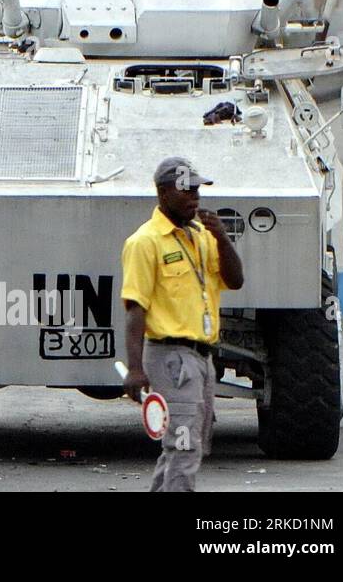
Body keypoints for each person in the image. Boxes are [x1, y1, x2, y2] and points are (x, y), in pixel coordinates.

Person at [120, 157, 245, 492]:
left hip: (202, 358)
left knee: (188, 445)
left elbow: (235, 281)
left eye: (197, 189)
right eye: (186, 190)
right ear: (162, 193)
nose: (195, 197)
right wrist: (135, 368)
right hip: (170, 357)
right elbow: (135, 308)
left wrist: (222, 237)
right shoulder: (145, 242)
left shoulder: (202, 235)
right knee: (184, 447)